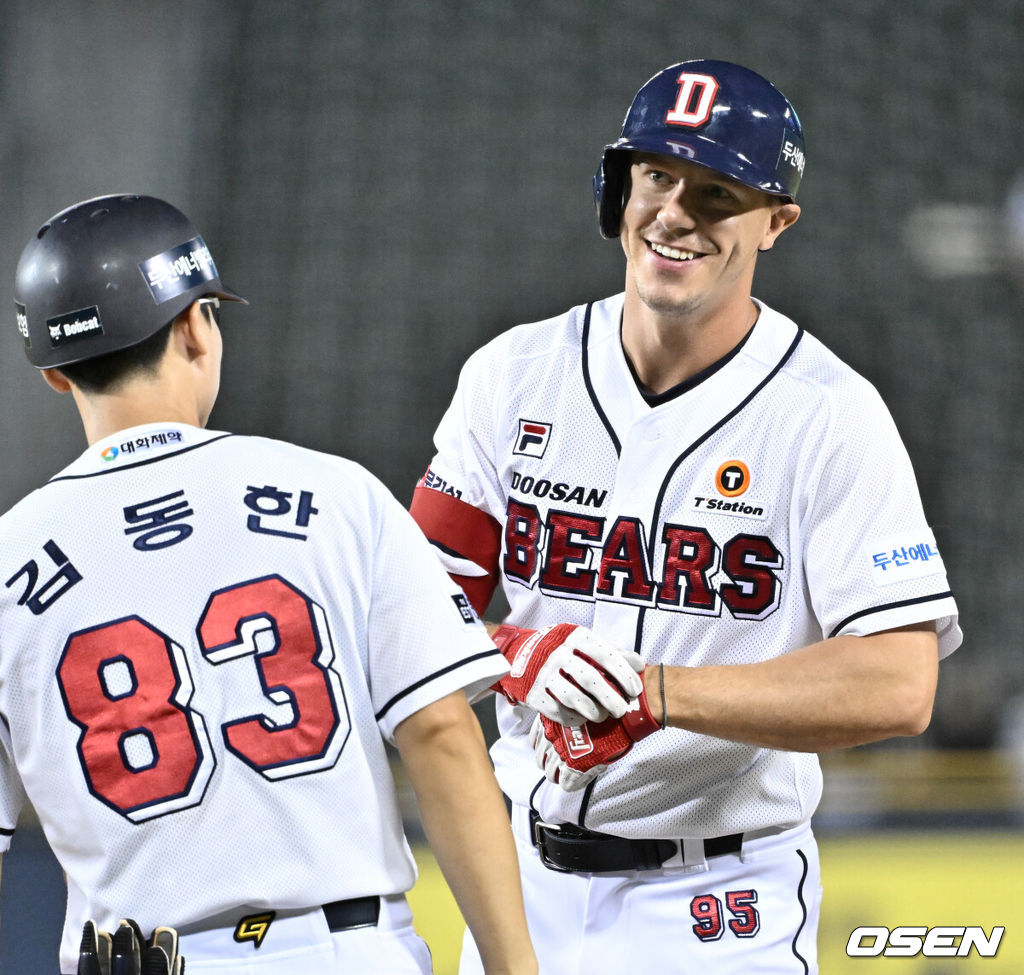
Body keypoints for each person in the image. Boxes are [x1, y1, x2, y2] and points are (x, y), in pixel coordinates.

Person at [409, 60, 962, 974]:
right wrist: (515, 655)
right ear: (617, 186)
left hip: (716, 902)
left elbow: (900, 682)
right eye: (657, 175)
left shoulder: (829, 412)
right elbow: (417, 600)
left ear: (776, 222)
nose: (675, 213)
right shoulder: (513, 373)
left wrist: (656, 695)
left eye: (717, 192)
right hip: (522, 884)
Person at [0, 193, 538, 975]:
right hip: (349, 953)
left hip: (146, 958)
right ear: (194, 327)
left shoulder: (7, 556)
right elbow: (444, 738)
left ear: (54, 374)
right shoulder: (337, 496)